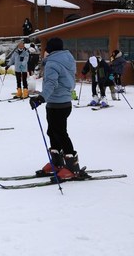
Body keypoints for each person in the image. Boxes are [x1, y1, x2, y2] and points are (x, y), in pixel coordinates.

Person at [29, 37, 87, 180]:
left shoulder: (52, 63)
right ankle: (57, 162)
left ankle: (72, 167)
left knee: (60, 133)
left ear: (49, 50)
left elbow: (51, 83)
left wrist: (41, 98)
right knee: (53, 131)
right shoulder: (68, 58)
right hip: (63, 102)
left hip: (57, 103)